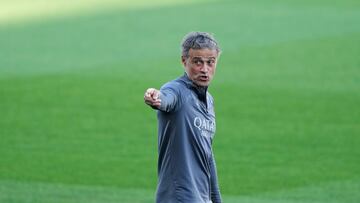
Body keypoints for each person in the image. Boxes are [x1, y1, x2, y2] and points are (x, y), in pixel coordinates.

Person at [144, 31, 222, 203]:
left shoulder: (209, 101)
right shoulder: (176, 90)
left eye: (210, 62)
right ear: (184, 61)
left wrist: (216, 199)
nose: (204, 69)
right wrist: (156, 98)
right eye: (197, 62)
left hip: (201, 198)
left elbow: (207, 155)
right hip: (178, 197)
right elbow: (167, 98)